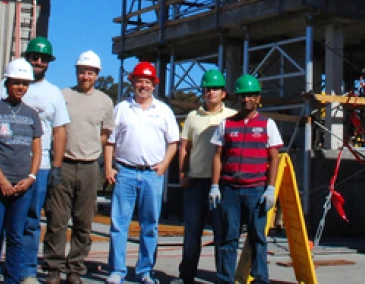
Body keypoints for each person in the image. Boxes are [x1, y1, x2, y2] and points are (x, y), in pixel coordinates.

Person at [0, 37, 70, 284]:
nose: (39, 61)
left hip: (40, 167)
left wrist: (56, 166)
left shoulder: (53, 93)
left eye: (44, 59)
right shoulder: (6, 87)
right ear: (27, 57)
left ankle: (26, 271)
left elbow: (60, 131)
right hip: (6, 166)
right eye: (34, 56)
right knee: (0, 223)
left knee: (31, 221)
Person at [104, 62, 180, 284]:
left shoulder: (164, 111)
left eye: (148, 81)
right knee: (119, 224)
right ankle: (117, 271)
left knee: (150, 225)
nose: (143, 85)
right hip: (125, 172)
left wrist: (164, 165)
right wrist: (108, 167)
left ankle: (145, 271)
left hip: (152, 175)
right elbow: (110, 142)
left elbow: (173, 143)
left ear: (154, 85)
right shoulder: (121, 109)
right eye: (140, 81)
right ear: (133, 83)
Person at [44, 50, 115, 284]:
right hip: (63, 164)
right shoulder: (62, 95)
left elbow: (105, 134)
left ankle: (75, 268)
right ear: (76, 72)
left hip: (89, 167)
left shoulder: (105, 101)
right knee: (57, 220)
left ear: (97, 75)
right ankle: (54, 267)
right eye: (83, 72)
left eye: (91, 72)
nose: (86, 76)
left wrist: (92, 149)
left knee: (84, 221)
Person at [210, 74, 282, 284]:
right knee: (228, 237)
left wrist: (270, 188)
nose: (246, 99)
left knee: (258, 237)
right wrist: (214, 186)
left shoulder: (268, 124)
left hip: (256, 190)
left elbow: (274, 157)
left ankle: (260, 279)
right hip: (229, 190)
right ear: (237, 98)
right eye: (242, 95)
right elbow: (217, 156)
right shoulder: (226, 124)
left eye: (251, 95)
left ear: (258, 98)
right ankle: (225, 279)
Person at [0, 59, 43, 284]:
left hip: (22, 186)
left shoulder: (32, 115)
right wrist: (1, 179)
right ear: (7, 83)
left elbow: (37, 150)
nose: (20, 87)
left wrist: (31, 178)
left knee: (16, 236)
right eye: (16, 82)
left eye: (24, 84)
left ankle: (12, 279)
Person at [178, 69, 236, 284]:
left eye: (215, 88)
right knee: (192, 234)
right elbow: (185, 147)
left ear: (223, 93)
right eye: (207, 88)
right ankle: (186, 277)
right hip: (196, 182)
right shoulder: (193, 118)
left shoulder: (231, 117)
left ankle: (224, 278)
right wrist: (183, 173)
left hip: (222, 184)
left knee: (223, 235)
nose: (211, 92)